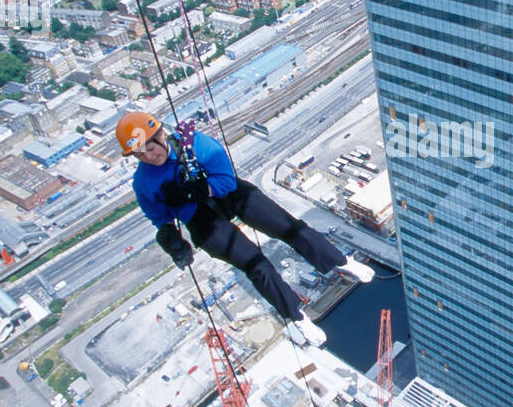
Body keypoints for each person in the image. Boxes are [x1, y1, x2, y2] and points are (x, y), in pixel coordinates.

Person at [118, 111, 373, 346]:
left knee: (289, 228)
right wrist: (171, 240)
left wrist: (193, 190)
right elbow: (159, 217)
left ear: (161, 134)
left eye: (149, 147)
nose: (148, 156)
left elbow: (227, 180)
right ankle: (296, 316)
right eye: (139, 154)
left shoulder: (194, 144)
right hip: (198, 217)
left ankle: (340, 261)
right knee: (256, 265)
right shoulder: (144, 182)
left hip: (228, 193)